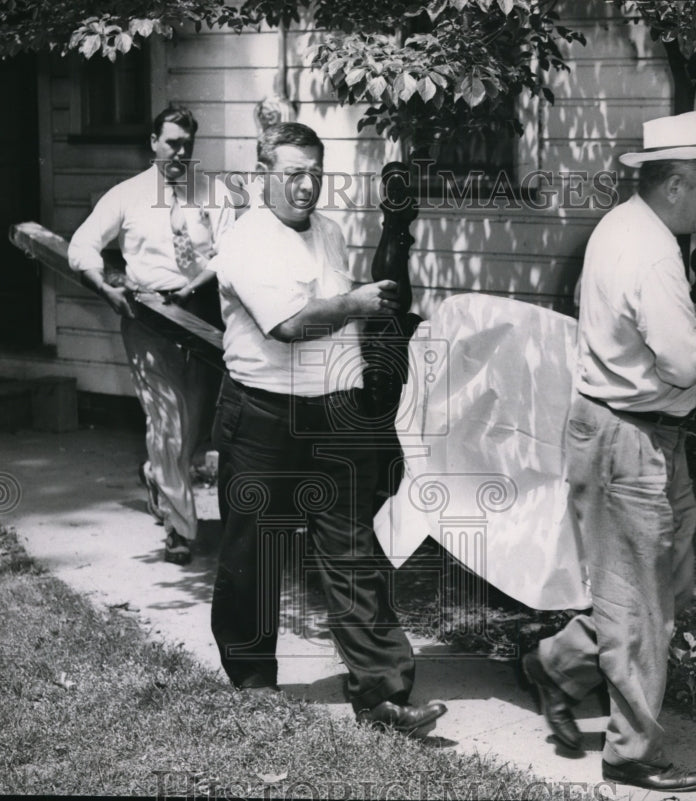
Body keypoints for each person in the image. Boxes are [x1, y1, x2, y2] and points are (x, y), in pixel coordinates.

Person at [521, 110, 696, 792]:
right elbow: (684, 362)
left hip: (636, 430)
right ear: (676, 184)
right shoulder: (651, 252)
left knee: (664, 583)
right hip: (631, 436)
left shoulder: (629, 224)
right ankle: (631, 751)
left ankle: (557, 664)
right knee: (645, 602)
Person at [208, 121, 447, 736]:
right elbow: (288, 324)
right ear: (263, 173)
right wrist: (359, 305)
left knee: (352, 554)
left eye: (316, 172)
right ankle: (254, 681)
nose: (307, 185)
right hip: (262, 414)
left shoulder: (333, 235)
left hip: (333, 415)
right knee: (253, 552)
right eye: (293, 173)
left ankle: (383, 694)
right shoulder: (244, 241)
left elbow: (345, 327)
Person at [68, 105, 231, 565]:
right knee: (167, 425)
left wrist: (196, 285)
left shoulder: (213, 194)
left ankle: (156, 474)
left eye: (187, 144)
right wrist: (104, 289)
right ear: (153, 142)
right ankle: (181, 530)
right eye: (172, 143)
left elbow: (231, 251)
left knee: (196, 428)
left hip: (202, 317)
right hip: (148, 318)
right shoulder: (127, 196)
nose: (180, 151)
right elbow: (82, 245)